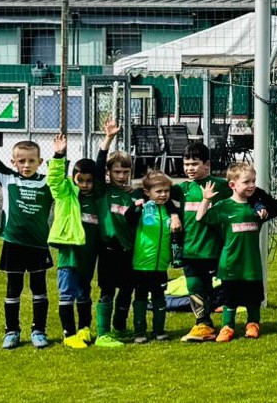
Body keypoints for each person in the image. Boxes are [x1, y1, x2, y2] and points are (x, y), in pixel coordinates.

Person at [0, 104, 55, 350]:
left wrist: (60, 154)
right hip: (13, 243)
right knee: (13, 289)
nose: (26, 165)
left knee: (39, 289)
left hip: (38, 245)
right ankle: (12, 331)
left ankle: (39, 330)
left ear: (40, 162)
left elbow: (61, 174)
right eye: (21, 161)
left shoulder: (47, 182)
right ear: (13, 162)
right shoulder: (7, 177)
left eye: (31, 161)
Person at [194, 163, 277, 342]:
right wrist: (206, 200)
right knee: (230, 298)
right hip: (230, 262)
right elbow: (200, 218)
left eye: (253, 181)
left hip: (252, 263)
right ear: (232, 185)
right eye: (246, 182)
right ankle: (228, 326)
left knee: (253, 297)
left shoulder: (257, 208)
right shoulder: (224, 206)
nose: (251, 185)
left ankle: (253, 324)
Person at [46, 134, 103, 349]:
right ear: (73, 178)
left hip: (89, 253)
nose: (85, 185)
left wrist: (106, 141)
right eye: (81, 180)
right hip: (70, 251)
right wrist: (59, 155)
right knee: (67, 292)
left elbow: (101, 171)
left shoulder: (97, 197)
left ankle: (84, 328)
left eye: (89, 181)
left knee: (84, 291)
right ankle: (69, 334)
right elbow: (54, 179)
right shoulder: (65, 193)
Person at [172, 141, 229, 342]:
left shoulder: (221, 186)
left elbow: (245, 192)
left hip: (215, 248)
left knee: (225, 286)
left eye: (194, 164)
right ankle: (203, 324)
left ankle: (232, 323)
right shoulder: (180, 189)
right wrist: (174, 216)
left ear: (207, 164)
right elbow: (162, 199)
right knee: (194, 285)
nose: (189, 168)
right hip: (190, 248)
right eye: (186, 164)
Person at [92, 121, 141, 347]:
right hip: (109, 250)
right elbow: (97, 167)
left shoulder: (134, 194)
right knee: (107, 291)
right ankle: (103, 333)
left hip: (129, 250)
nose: (121, 176)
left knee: (127, 290)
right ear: (109, 172)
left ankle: (119, 328)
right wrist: (108, 139)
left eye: (125, 172)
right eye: (117, 171)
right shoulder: (103, 190)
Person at [125, 170, 180, 343]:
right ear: (147, 192)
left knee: (159, 297)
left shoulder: (169, 210)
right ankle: (139, 332)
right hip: (142, 263)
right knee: (140, 297)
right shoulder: (143, 209)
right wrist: (136, 206)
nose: (163, 195)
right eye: (159, 191)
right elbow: (128, 218)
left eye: (166, 191)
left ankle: (159, 330)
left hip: (161, 264)